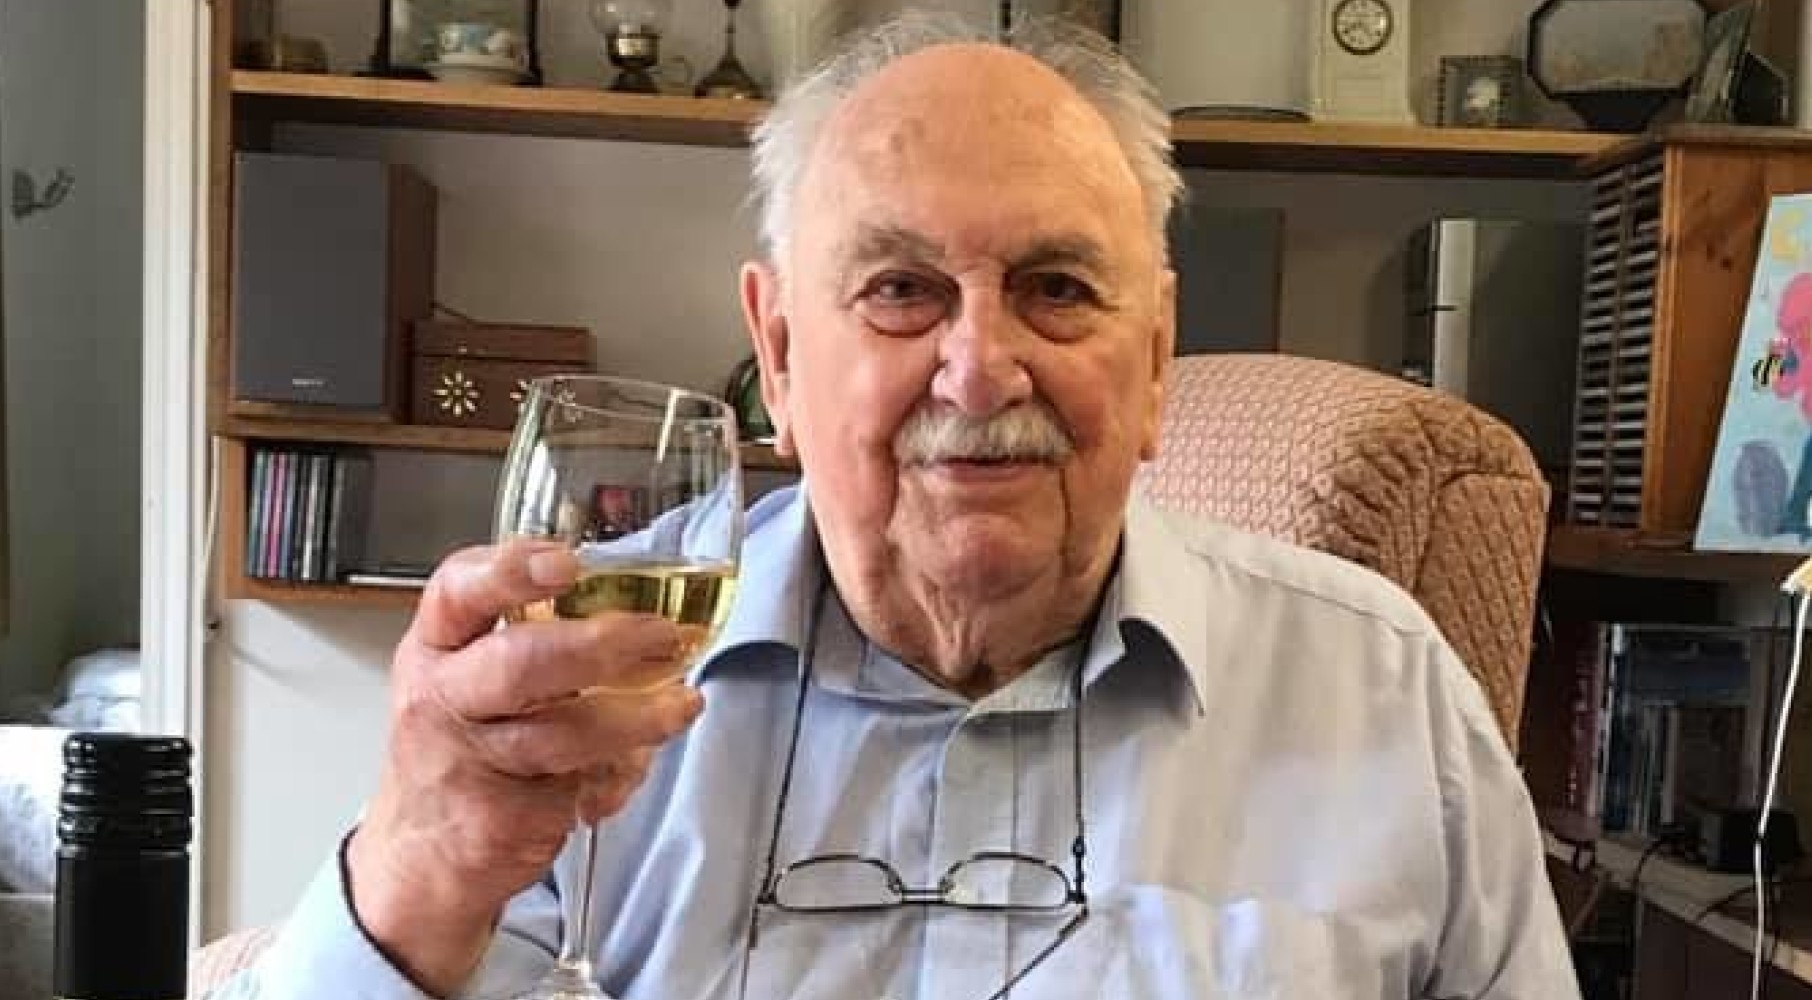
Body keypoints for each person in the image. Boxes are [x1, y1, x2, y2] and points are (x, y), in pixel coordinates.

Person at [212, 14, 1579, 1000]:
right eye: (898, 290)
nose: (980, 366)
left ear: (1154, 355)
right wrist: (419, 864)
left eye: (1055, 288)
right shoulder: (570, 688)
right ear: (783, 356)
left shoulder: (1384, 691)